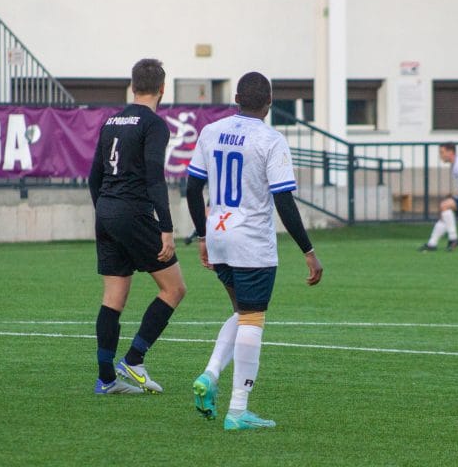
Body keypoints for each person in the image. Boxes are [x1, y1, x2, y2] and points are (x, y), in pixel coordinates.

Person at [185, 71, 323, 431]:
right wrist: (308, 249)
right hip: (251, 242)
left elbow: (191, 189)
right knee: (253, 319)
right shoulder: (271, 139)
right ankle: (237, 410)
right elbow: (283, 200)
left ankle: (211, 374)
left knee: (241, 311)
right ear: (269, 104)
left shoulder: (210, 132)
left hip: (218, 236)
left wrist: (202, 236)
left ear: (235, 98)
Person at [88, 58, 187, 393]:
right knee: (174, 289)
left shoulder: (112, 122)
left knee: (114, 296)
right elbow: (155, 178)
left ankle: (105, 380)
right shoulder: (154, 124)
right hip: (133, 212)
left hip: (106, 211)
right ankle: (133, 360)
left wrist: (104, 212)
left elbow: (94, 176)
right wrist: (167, 228)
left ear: (132, 86)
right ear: (163, 88)